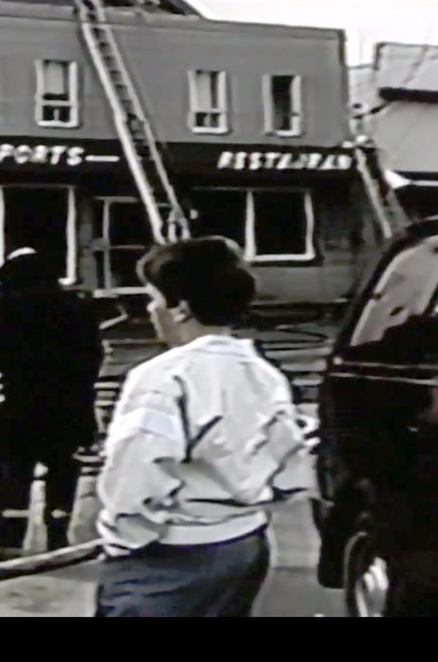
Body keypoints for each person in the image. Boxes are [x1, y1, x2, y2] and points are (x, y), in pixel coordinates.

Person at [93, 236, 318, 617]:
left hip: (172, 553)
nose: (149, 310)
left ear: (179, 308)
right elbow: (291, 464)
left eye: (152, 298)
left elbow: (137, 472)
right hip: (245, 543)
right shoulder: (264, 374)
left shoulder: (162, 378)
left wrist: (123, 539)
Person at [0, 247, 105, 561]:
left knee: (13, 468)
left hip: (22, 402)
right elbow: (93, 356)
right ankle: (58, 535)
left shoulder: (9, 307)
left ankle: (10, 537)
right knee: (64, 469)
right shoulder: (77, 308)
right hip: (71, 405)